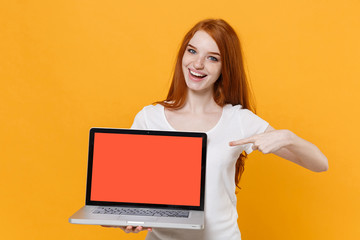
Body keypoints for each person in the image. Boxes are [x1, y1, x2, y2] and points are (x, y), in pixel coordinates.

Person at [110, 19, 328, 239]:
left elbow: (320, 164)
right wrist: (127, 219)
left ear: (225, 67)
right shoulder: (150, 118)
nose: (197, 64)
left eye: (212, 58)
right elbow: (130, 193)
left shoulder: (238, 120)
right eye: (192, 51)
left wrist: (288, 137)